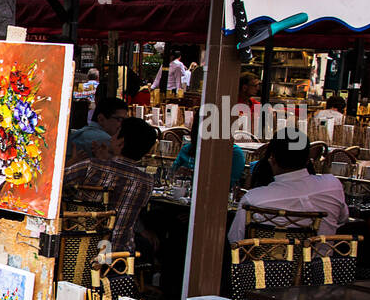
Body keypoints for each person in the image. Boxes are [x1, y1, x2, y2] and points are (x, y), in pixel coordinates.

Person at [228, 129, 348, 243]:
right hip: (321, 263)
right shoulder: (333, 185)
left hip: (266, 264)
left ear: (272, 159)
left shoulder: (253, 199)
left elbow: (235, 240)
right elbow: (343, 219)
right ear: (308, 160)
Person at [62, 116, 157, 254]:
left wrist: (71, 163)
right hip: (120, 255)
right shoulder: (147, 182)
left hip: (82, 253)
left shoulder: (91, 166)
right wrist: (107, 159)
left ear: (121, 143)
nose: (111, 137)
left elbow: (55, 186)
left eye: (116, 133)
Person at [171, 134, 247, 187]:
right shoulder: (188, 149)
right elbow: (172, 173)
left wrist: (195, 174)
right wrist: (178, 172)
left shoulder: (233, 153)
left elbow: (229, 184)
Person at [68, 97, 128, 162]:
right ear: (101, 119)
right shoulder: (104, 140)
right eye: (119, 119)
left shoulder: (82, 133)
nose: (122, 124)